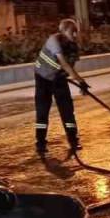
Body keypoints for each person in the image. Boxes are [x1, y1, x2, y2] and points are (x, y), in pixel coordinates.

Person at [34, 19, 89, 155]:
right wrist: (80, 81)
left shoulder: (73, 46)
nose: (75, 35)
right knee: (42, 113)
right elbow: (64, 63)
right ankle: (40, 143)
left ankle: (73, 140)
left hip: (59, 79)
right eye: (72, 31)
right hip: (43, 80)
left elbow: (70, 66)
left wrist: (74, 79)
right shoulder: (54, 41)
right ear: (63, 31)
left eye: (76, 32)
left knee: (67, 112)